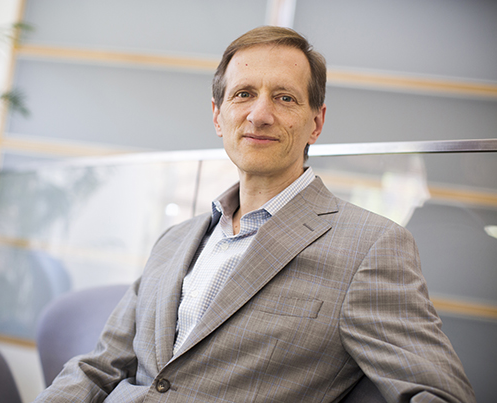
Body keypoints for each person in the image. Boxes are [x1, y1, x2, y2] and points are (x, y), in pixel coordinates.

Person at [34, 26, 475, 402]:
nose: (259, 115)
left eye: (284, 98)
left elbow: (438, 393)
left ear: (315, 124)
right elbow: (99, 367)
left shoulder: (371, 246)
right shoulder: (175, 238)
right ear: (218, 115)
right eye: (244, 94)